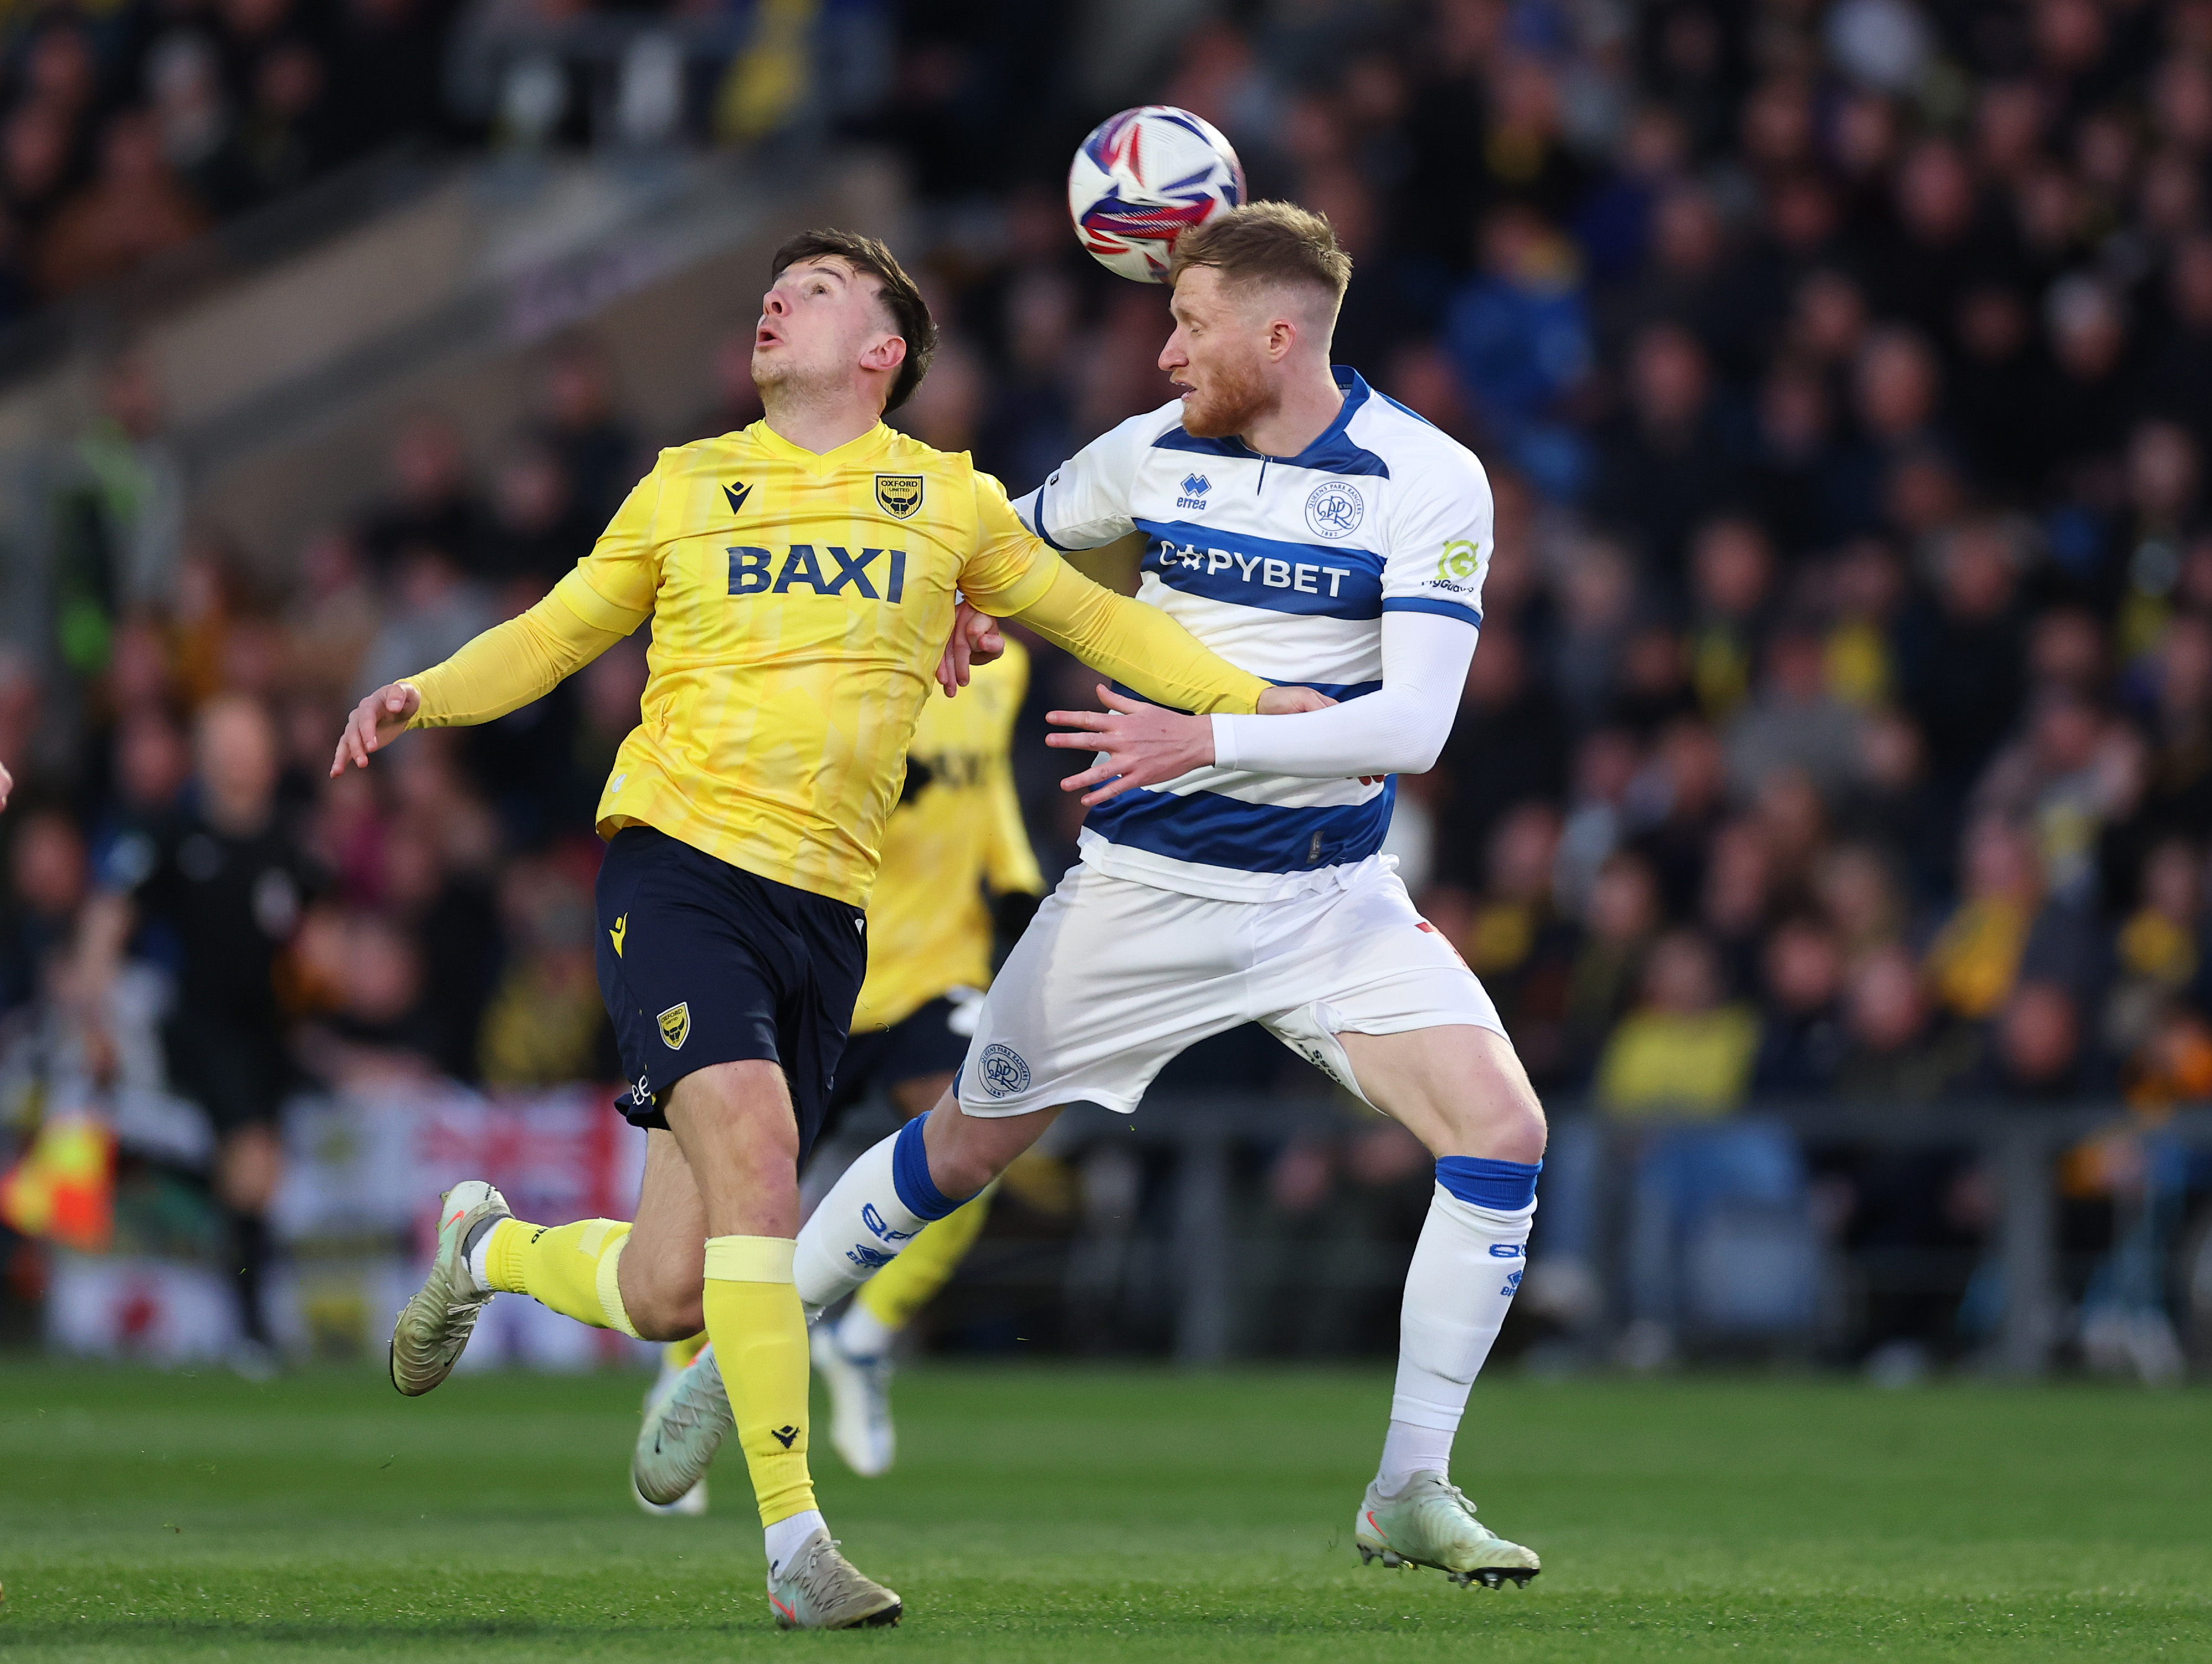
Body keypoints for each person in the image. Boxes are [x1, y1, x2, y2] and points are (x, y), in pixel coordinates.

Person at [333, 229, 1315, 1630]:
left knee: (669, 1289)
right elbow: (550, 637)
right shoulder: (686, 484)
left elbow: (1104, 626)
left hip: (823, 909)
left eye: (815, 289)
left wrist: (1262, 706)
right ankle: (797, 1546)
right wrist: (421, 691)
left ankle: (482, 1250)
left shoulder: (946, 503)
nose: (775, 299)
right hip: (678, 866)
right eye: (773, 287)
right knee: (760, 1159)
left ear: (880, 352)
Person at [735, 202, 1548, 1587]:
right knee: (962, 1147)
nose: (1164, 353)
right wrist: (966, 603)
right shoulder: (1145, 454)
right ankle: (740, 1357)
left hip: (1326, 897)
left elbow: (1413, 727)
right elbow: (1000, 542)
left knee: (1503, 1129)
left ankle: (1407, 1484)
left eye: (1188, 325)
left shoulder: (1425, 476)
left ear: (1276, 336)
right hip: (1143, 891)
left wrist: (1203, 735)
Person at [631, 642, 1044, 1508]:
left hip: (934, 968)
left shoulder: (1003, 669)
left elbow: (986, 780)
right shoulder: (848, 645)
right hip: (818, 965)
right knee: (739, 1199)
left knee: (983, 1131)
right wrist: (874, 784)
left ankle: (867, 1337)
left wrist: (1013, 874)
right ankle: (680, 1380)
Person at [74, 695, 313, 1372]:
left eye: (247, 742)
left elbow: (324, 940)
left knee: (258, 1174)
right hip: (202, 1025)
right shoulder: (171, 835)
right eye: (223, 742)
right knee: (250, 1159)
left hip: (273, 1033)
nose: (236, 757)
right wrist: (93, 1014)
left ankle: (243, 1303)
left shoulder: (292, 845)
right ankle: (251, 1328)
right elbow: (108, 916)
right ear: (202, 757)